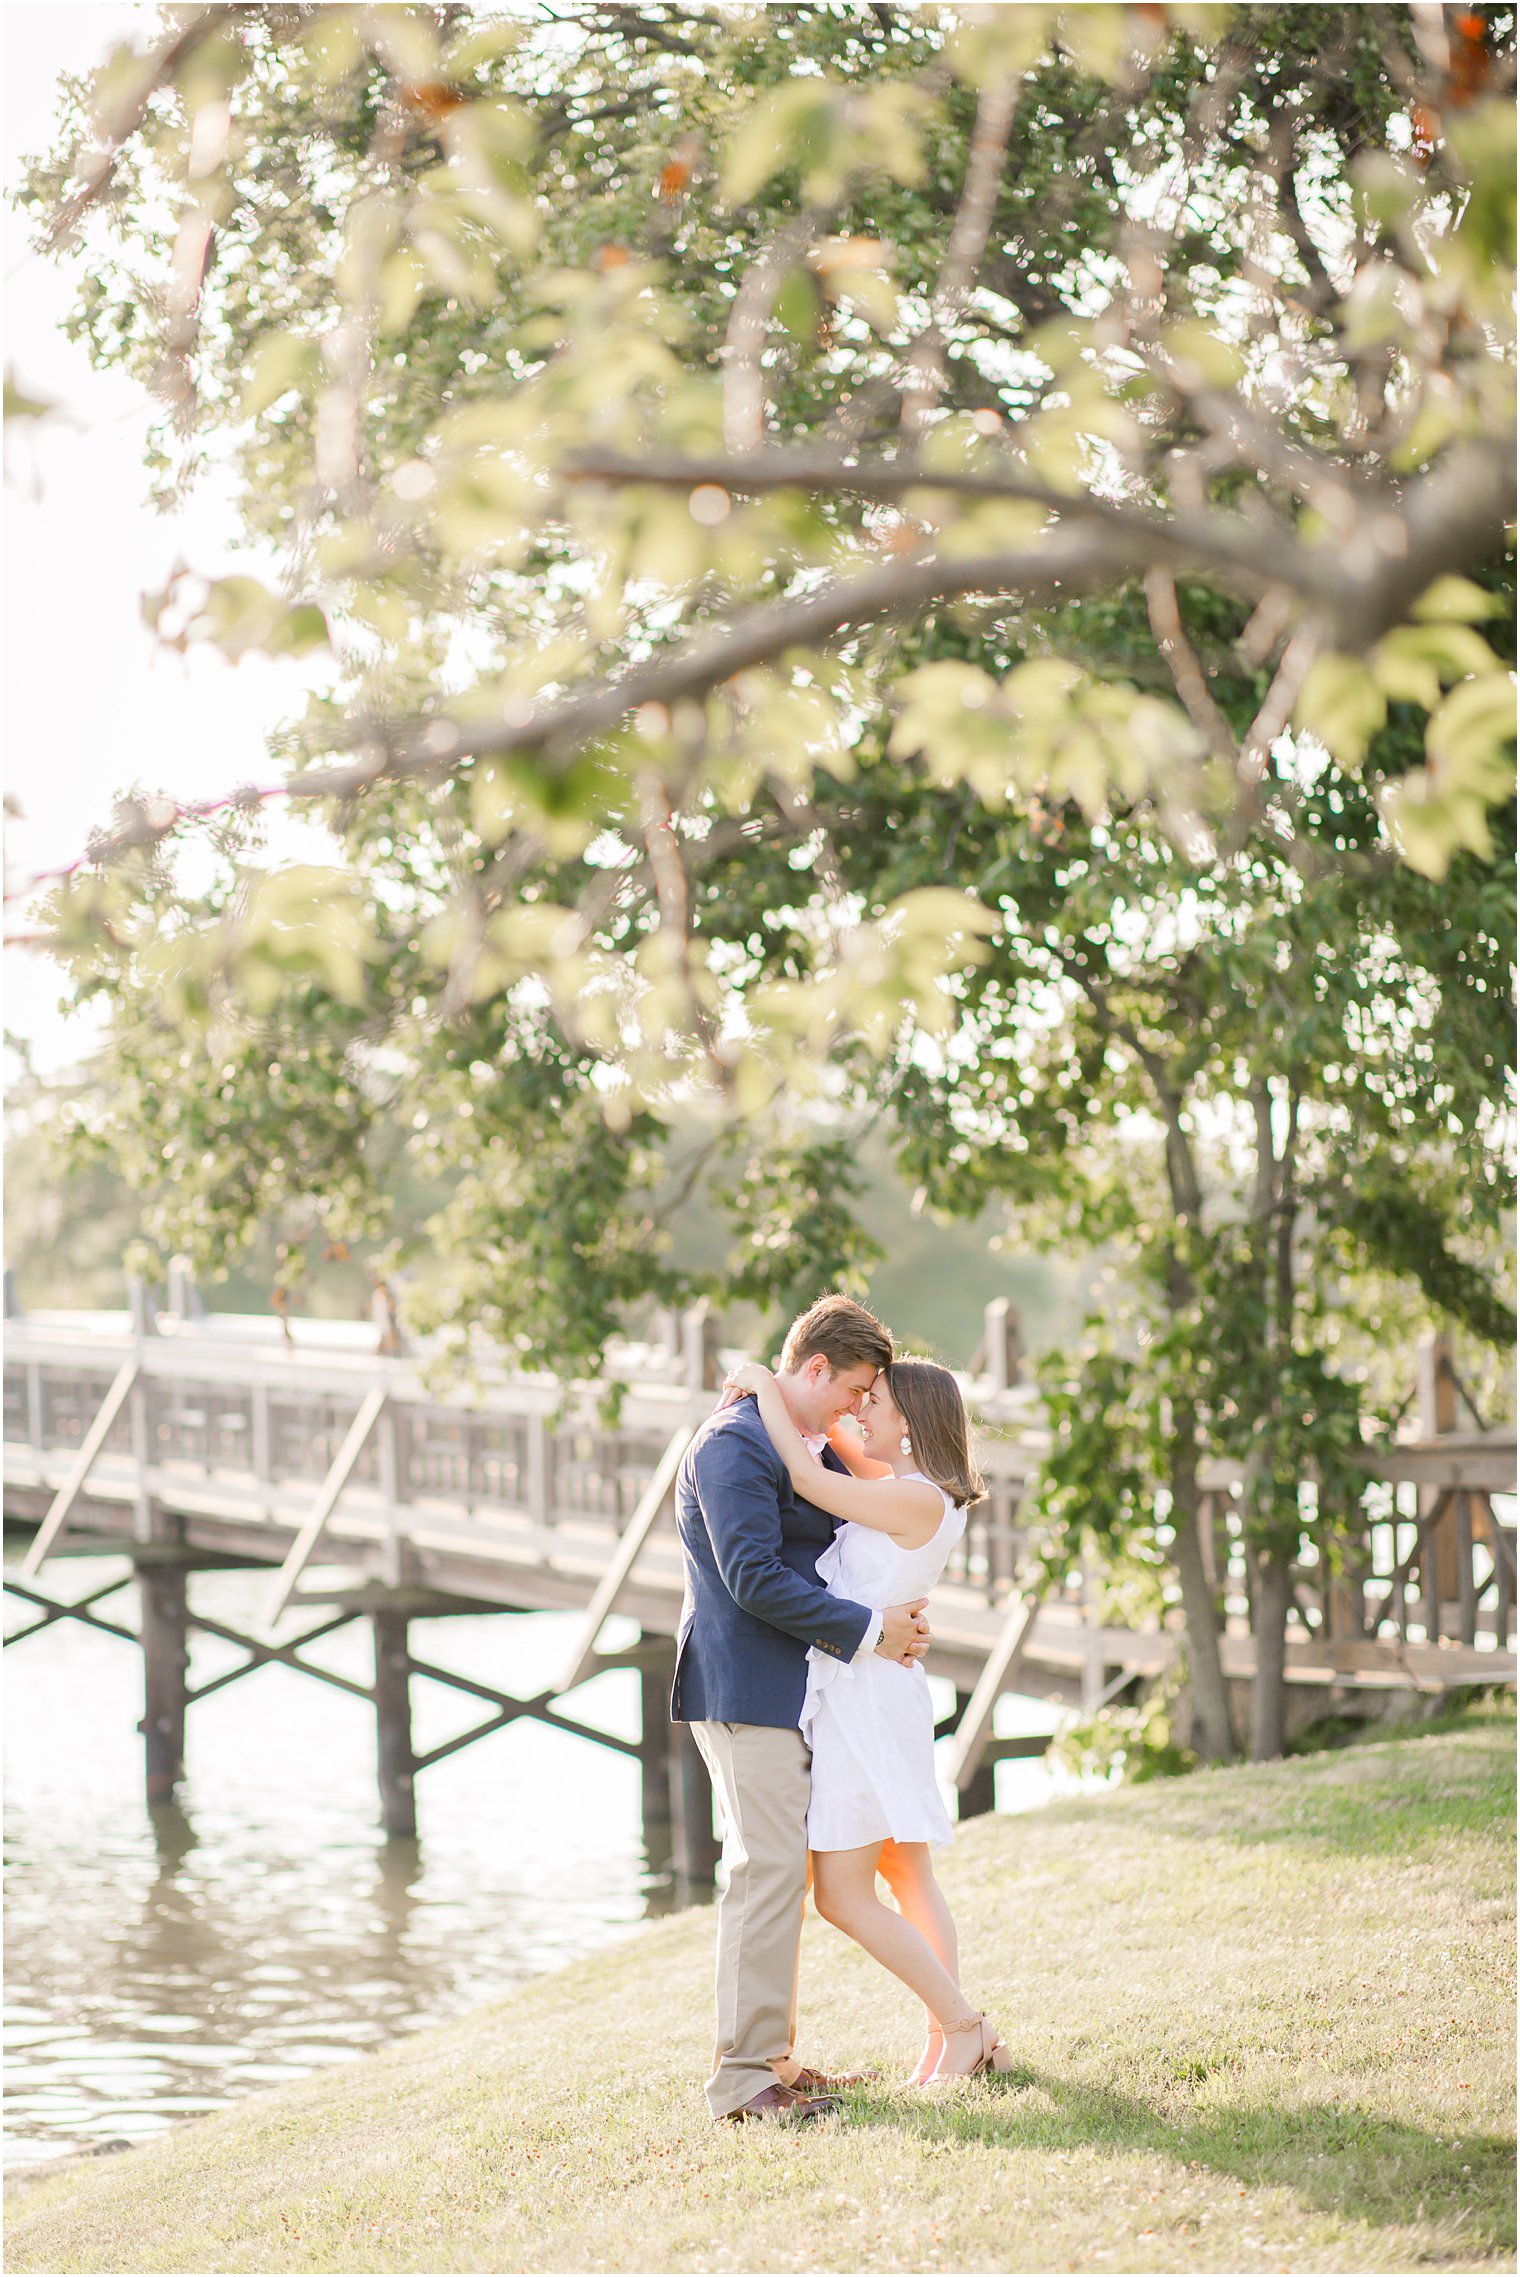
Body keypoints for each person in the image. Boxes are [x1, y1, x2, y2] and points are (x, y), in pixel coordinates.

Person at [671, 1294, 932, 2125]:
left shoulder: (791, 1439)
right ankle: (744, 2080)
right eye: (854, 1389)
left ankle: (771, 2058)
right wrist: (868, 1630)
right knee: (768, 1870)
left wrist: (894, 1610)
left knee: (780, 1871)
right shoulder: (730, 1445)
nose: (859, 1408)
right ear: (814, 1367)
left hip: (794, 1691)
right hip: (745, 1688)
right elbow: (751, 1577)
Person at [725, 1352, 1013, 2087]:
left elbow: (808, 1477)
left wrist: (761, 1385)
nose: (860, 1412)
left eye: (875, 1401)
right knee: (907, 1874)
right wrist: (799, 1399)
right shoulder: (910, 1488)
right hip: (872, 1689)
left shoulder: (915, 1499)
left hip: (867, 1704)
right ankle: (949, 2040)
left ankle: (962, 2027)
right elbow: (828, 1443)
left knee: (843, 1895)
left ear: (911, 1423)